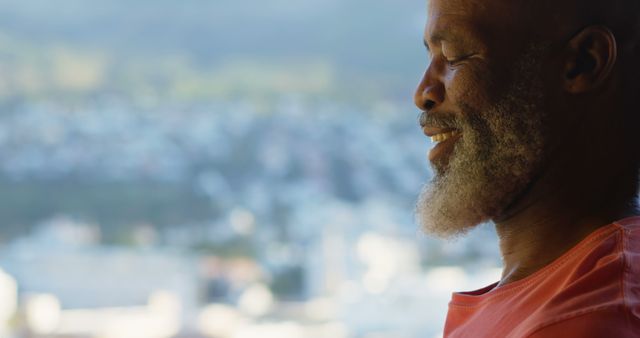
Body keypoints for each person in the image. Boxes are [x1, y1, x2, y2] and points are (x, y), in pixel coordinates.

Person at [413, 0, 640, 336]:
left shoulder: (588, 319)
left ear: (582, 63)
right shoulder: (559, 295)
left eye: (454, 55)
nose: (423, 93)